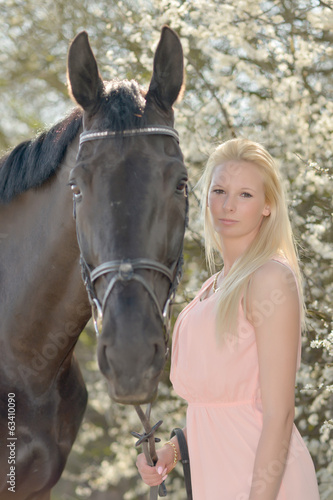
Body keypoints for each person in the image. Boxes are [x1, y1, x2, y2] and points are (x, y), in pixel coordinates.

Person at [136, 138, 320, 499]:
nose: (228, 205)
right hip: (214, 481)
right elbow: (216, 405)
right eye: (220, 190)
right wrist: (171, 452)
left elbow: (279, 414)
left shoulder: (269, 279)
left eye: (246, 195)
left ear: (268, 206)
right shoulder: (212, 287)